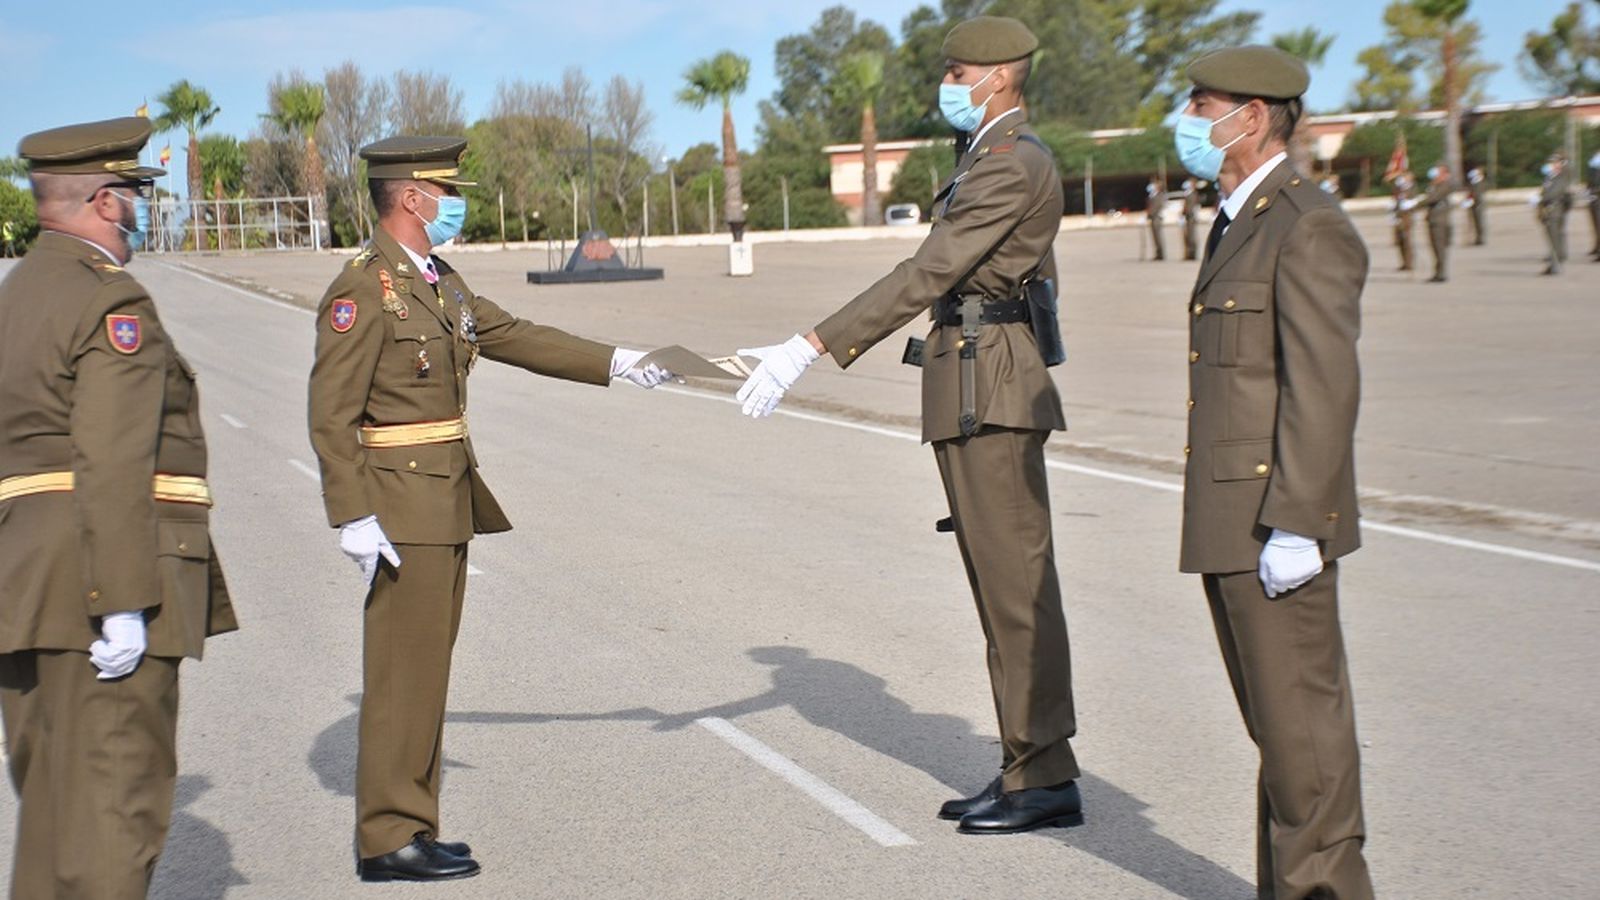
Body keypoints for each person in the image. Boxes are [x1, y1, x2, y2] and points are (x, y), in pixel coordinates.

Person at [732, 15, 1085, 836]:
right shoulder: (985, 156)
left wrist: (811, 344)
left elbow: (931, 267)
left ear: (1000, 77)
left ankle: (1044, 774)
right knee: (998, 585)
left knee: (1015, 587)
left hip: (992, 386)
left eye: (959, 74)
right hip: (974, 378)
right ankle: (1029, 764)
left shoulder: (1012, 161)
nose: (950, 86)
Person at [306, 135, 673, 882]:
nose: (457, 203)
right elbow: (330, 411)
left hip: (444, 498)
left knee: (426, 673)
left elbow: (515, 336)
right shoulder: (362, 288)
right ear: (412, 197)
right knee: (402, 673)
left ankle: (413, 821)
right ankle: (385, 838)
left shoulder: (438, 280)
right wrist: (352, 513)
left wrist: (618, 361)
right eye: (448, 189)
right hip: (402, 506)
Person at [0, 117, 238, 899]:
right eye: (133, 197)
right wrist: (124, 600)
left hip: (29, 585)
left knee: (54, 822)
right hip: (96, 586)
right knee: (112, 818)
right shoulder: (110, 300)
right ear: (105, 201)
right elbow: (111, 458)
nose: (138, 212)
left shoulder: (21, 291)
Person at [1174, 46, 1375, 898]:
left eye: (1198, 103)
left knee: (1306, 751)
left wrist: (1298, 522)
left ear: (1250, 117)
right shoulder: (1240, 216)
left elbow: (1323, 387)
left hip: (1274, 523)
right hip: (1235, 519)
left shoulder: (1308, 222)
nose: (1184, 120)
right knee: (1282, 743)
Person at [1537, 153, 1572, 275]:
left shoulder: (1560, 178)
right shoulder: (1550, 177)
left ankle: (1555, 266)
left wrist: (1539, 199)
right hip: (1549, 212)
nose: (1551, 165)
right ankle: (1553, 263)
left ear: (1559, 164)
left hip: (1554, 211)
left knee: (1554, 239)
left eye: (1553, 162)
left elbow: (1553, 194)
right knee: (1552, 239)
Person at [1421, 163, 1453, 283]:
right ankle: (1438, 272)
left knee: (1440, 248)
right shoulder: (1435, 185)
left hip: (1440, 221)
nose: (1435, 175)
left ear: (1444, 174)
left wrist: (1415, 204)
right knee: (1435, 247)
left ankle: (1441, 273)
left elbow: (1433, 198)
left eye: (1438, 172)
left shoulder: (1445, 185)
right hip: (1433, 220)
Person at [1390, 173, 1416, 272]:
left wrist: (1407, 200)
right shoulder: (1400, 188)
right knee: (1400, 240)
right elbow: (1396, 198)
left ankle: (1409, 263)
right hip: (1399, 216)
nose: (1403, 179)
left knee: (1407, 241)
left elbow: (1413, 200)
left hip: (1407, 217)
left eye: (1405, 177)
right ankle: (1404, 262)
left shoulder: (1412, 188)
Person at [1465, 166, 1487, 246]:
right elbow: (1471, 193)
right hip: (1473, 204)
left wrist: (1472, 200)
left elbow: (1477, 194)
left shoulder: (1480, 182)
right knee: (1475, 222)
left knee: (1479, 222)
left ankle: (1480, 238)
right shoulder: (1473, 182)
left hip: (1478, 204)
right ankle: (1476, 237)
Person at [1146, 175, 1167, 260]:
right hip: (1153, 218)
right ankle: (1157, 253)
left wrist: (1151, 213)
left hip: (1156, 217)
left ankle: (1161, 254)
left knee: (1158, 236)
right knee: (1154, 236)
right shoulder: (1152, 196)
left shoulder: (1159, 195)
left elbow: (1158, 206)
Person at [1181, 177, 1202, 260]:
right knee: (1188, 235)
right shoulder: (1187, 193)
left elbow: (1193, 206)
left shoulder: (1194, 194)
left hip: (1191, 217)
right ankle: (1188, 253)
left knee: (1192, 235)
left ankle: (1192, 253)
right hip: (1187, 217)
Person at [1586, 150, 1600, 262]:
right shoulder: (1594, 169)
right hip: (1594, 200)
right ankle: (1597, 247)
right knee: (1596, 225)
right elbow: (1591, 182)